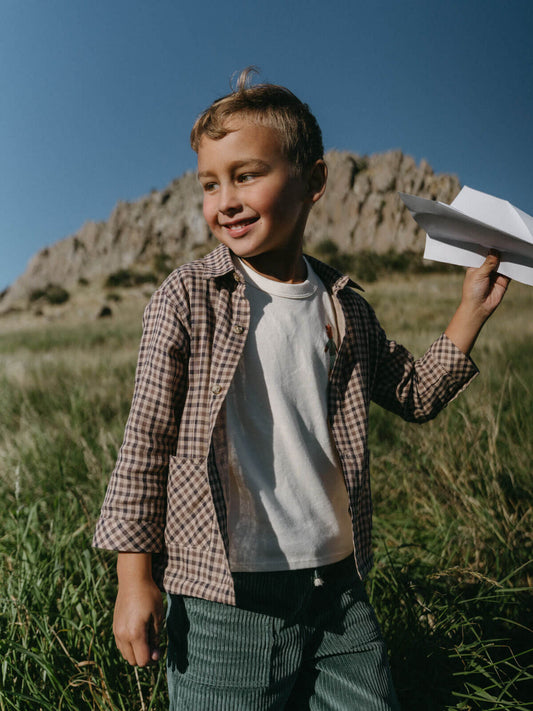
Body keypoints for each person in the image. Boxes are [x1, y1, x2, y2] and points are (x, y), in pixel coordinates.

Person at [93, 69, 510, 710]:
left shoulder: (344, 306)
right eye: (210, 183)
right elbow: (145, 440)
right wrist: (134, 578)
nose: (224, 200)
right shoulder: (188, 298)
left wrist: (470, 314)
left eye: (247, 174)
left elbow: (414, 393)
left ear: (314, 182)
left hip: (337, 587)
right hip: (225, 599)